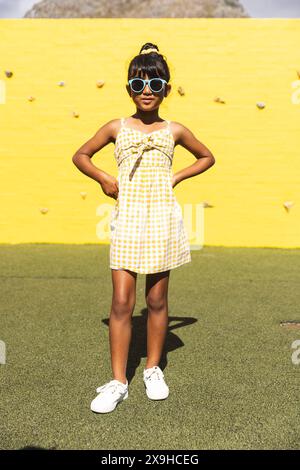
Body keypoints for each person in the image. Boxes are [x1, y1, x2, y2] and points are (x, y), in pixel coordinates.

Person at [72, 42, 215, 414]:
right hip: (128, 219)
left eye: (154, 83)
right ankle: (118, 381)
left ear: (167, 88)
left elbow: (207, 157)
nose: (146, 90)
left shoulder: (175, 130)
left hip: (162, 219)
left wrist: (177, 176)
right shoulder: (115, 127)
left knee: (156, 300)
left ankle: (152, 369)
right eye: (138, 84)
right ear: (129, 89)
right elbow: (80, 155)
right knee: (122, 302)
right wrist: (103, 178)